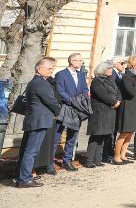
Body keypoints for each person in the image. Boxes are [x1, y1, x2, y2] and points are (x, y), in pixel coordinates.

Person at [17, 57, 61, 187]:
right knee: (31, 151)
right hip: (39, 120)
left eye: (53, 68)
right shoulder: (41, 83)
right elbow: (51, 101)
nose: (51, 71)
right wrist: (58, 110)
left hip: (35, 119)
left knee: (28, 150)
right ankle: (24, 179)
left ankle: (23, 177)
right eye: (49, 68)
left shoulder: (36, 81)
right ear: (39, 69)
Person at [53, 52, 89, 172]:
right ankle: (49, 162)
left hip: (77, 109)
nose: (81, 62)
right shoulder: (61, 74)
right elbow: (59, 91)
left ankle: (67, 161)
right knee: (56, 136)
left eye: (81, 60)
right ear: (72, 61)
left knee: (73, 136)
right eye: (79, 60)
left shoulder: (81, 75)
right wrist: (72, 100)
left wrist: (81, 102)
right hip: (64, 108)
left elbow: (84, 89)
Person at [86, 61, 120, 168]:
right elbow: (102, 95)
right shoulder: (96, 81)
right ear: (103, 70)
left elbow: (117, 91)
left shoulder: (110, 80)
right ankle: (90, 161)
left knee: (103, 136)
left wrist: (118, 101)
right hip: (99, 112)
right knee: (96, 136)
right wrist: (114, 102)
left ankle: (98, 159)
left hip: (109, 111)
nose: (111, 70)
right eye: (109, 69)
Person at [114, 56, 136, 165]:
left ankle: (123, 155)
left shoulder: (135, 76)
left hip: (135, 108)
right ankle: (116, 156)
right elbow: (131, 92)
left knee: (130, 133)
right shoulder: (126, 76)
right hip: (128, 108)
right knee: (124, 133)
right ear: (134, 65)